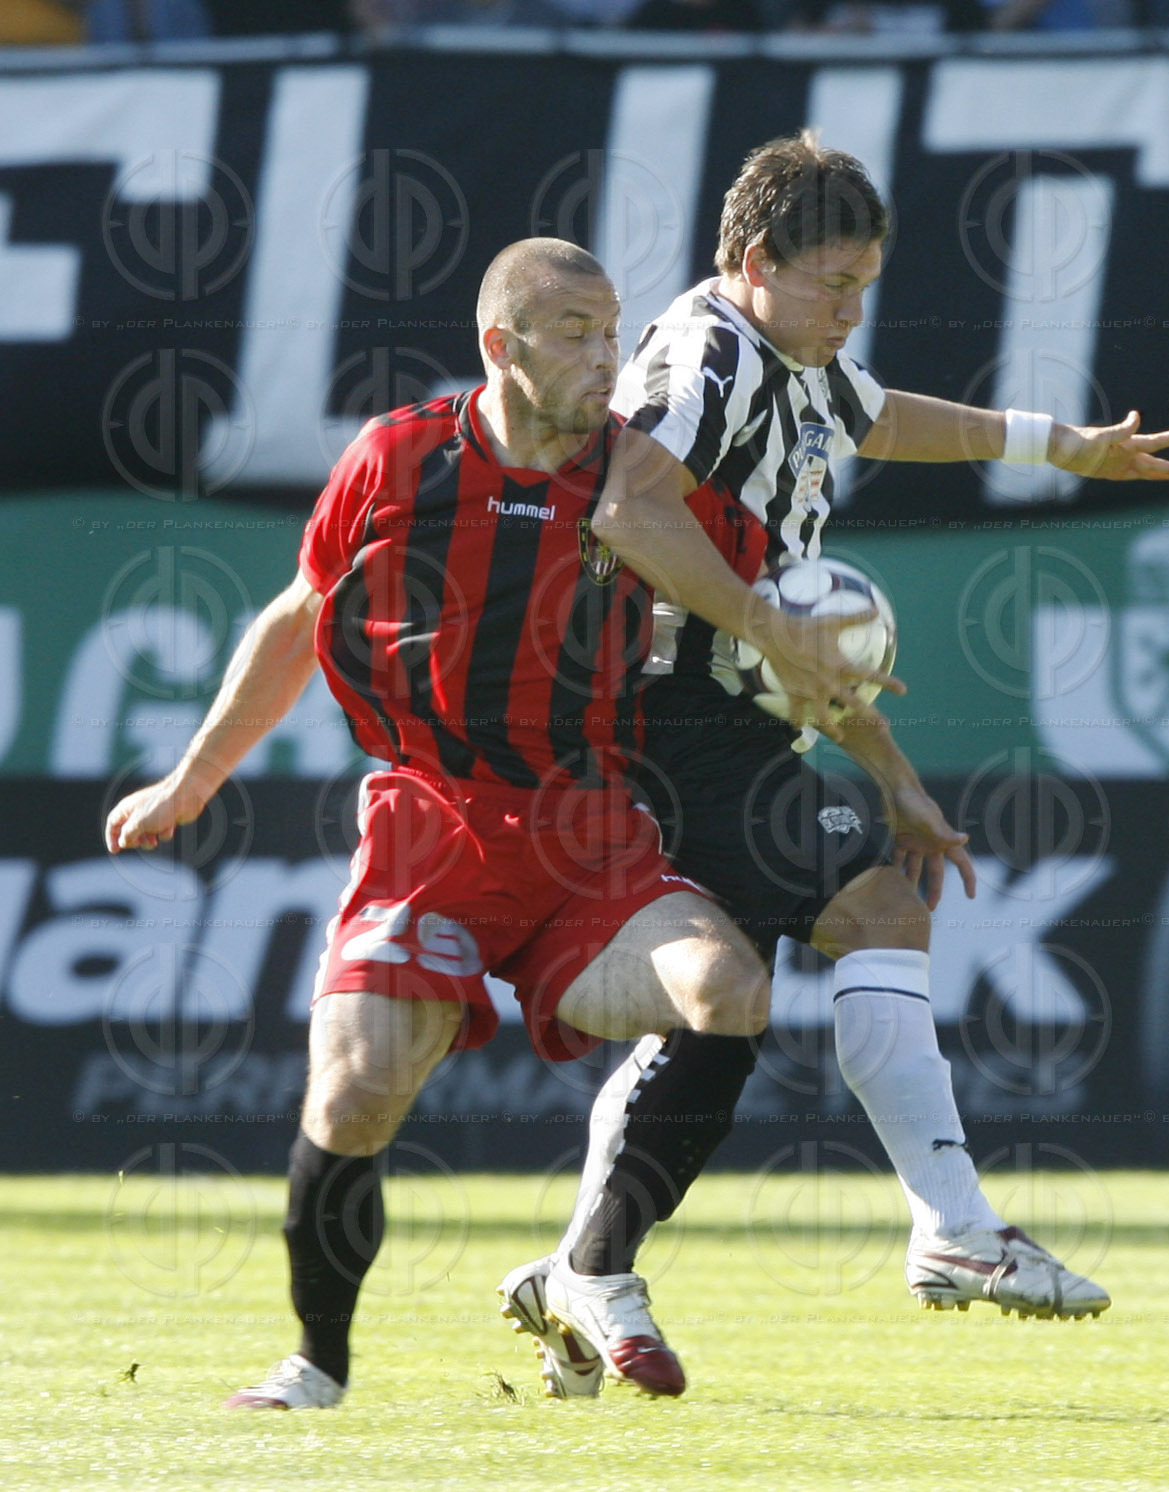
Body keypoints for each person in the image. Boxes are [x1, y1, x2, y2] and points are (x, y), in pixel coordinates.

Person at [498, 133, 1169, 1399]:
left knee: (792, 961)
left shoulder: (793, 359)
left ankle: (590, 1266)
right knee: (797, 956)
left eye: (867, 284)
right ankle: (947, 1229)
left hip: (731, 720)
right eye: (833, 283)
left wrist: (1060, 445)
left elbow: (886, 416)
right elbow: (624, 504)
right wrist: (770, 632)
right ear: (753, 263)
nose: (850, 310)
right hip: (664, 719)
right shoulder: (709, 356)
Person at [104, 239, 775, 1410]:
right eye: (575, 330)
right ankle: (317, 1362)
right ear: (499, 346)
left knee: (730, 990)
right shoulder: (399, 455)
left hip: (592, 834)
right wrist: (194, 780)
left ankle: (592, 1268)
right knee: (356, 1095)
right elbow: (301, 614)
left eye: (613, 330)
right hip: (434, 824)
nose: (605, 355)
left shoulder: (644, 480)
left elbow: (761, 611)